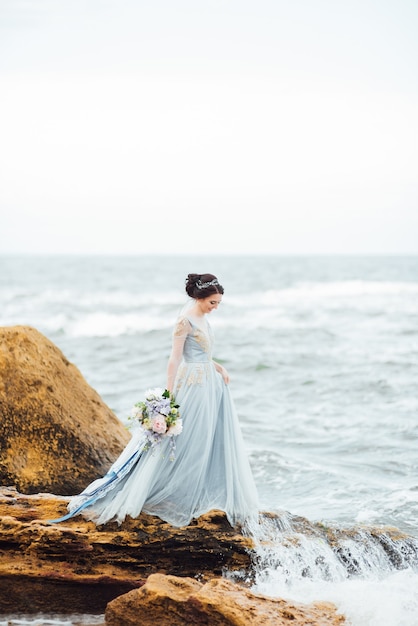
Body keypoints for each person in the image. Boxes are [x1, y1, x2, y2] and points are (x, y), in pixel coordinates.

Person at [49, 273, 259, 528]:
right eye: (212, 302)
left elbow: (203, 354)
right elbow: (176, 359)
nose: (215, 308)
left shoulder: (204, 319)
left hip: (210, 385)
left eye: (218, 303)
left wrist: (218, 367)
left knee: (207, 438)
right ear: (200, 297)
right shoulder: (185, 321)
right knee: (187, 439)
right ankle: (169, 492)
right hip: (192, 386)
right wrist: (169, 396)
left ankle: (201, 490)